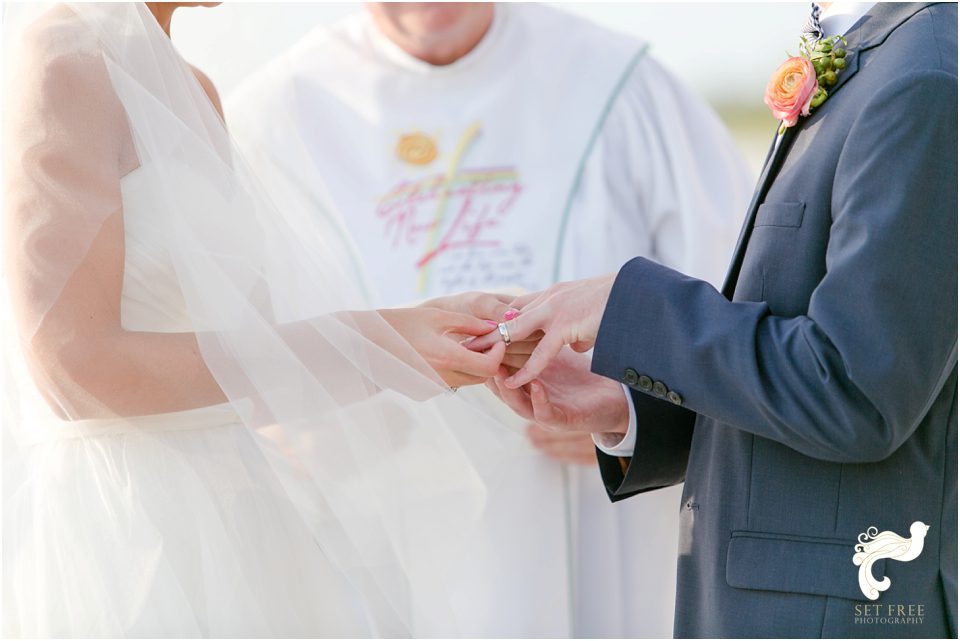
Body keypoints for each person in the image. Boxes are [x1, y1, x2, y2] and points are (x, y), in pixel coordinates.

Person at [227, 3, 751, 636]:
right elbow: (223, 347)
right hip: (383, 547)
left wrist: (636, 410)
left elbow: (738, 315)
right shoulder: (272, 117)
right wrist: (282, 426)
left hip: (599, 537)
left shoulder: (618, 83)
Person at [1, 3, 518, 636]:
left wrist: (429, 333)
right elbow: (71, 371)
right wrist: (376, 341)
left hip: (243, 513)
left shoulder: (196, 90)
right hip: (133, 532)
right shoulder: (64, 59)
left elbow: (248, 354)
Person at [474, 2, 958, 637]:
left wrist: (628, 306)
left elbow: (860, 391)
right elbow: (809, 357)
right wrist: (628, 406)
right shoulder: (880, 54)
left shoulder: (924, 79)